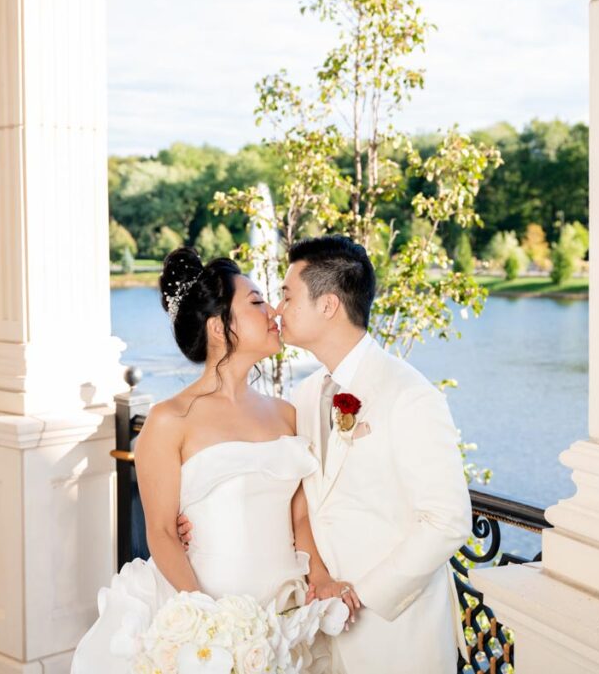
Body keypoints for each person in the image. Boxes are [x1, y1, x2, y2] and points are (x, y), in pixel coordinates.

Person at [179, 235, 472, 672]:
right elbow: (297, 493)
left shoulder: (409, 395)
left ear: (329, 305)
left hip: (397, 632)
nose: (277, 309)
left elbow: (448, 521)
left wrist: (360, 595)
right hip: (317, 624)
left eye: (287, 295)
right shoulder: (307, 392)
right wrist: (204, 519)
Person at [71, 248, 352, 674]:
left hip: (284, 613)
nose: (273, 310)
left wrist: (322, 578)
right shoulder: (169, 421)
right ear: (220, 327)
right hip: (206, 610)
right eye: (257, 303)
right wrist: (209, 622)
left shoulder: (285, 414)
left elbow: (299, 520)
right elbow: (163, 533)